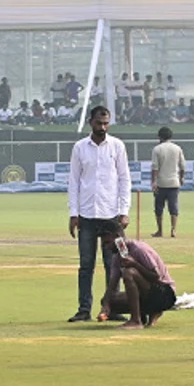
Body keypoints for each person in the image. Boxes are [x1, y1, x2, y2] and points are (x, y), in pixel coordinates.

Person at [66, 104, 131, 322]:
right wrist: (73, 213)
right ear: (90, 123)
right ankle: (84, 309)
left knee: (113, 265)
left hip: (111, 215)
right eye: (98, 123)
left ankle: (111, 307)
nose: (102, 127)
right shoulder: (80, 148)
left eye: (106, 123)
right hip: (86, 214)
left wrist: (124, 211)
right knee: (86, 265)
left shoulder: (117, 146)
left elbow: (124, 179)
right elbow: (74, 181)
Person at [97, 218, 177, 328]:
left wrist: (135, 264)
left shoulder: (139, 249)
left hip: (164, 293)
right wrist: (105, 305)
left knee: (129, 273)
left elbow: (156, 276)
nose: (106, 247)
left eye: (107, 243)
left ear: (117, 237)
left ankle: (136, 320)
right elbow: (112, 284)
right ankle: (146, 314)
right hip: (147, 292)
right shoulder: (117, 257)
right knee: (109, 300)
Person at [151, 126, 185, 238]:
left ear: (160, 137)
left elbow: (155, 167)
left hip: (161, 182)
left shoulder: (157, 149)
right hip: (174, 182)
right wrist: (182, 178)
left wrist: (153, 182)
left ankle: (160, 230)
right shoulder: (177, 148)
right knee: (173, 207)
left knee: (158, 207)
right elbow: (182, 165)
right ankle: (173, 230)